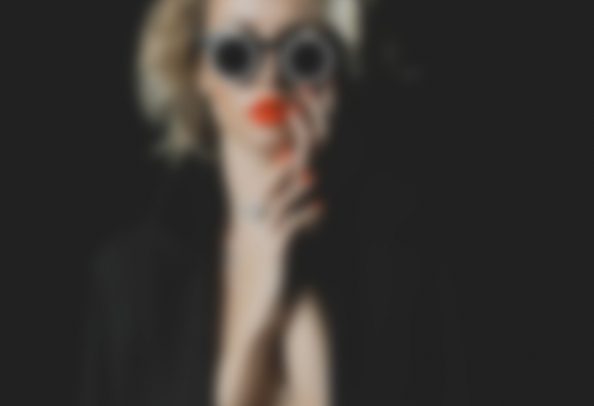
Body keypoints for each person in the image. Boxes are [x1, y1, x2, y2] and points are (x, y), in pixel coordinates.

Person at [80, 0, 468, 405]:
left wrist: (299, 277)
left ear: (336, 67)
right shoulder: (131, 281)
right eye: (236, 52)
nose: (269, 76)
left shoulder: (411, 261)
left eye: (303, 53)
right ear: (198, 69)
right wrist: (251, 327)